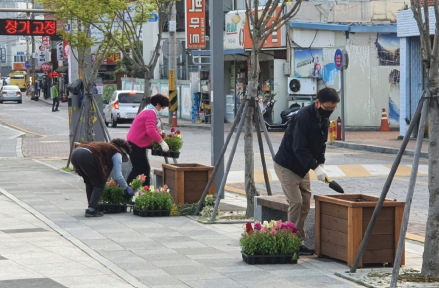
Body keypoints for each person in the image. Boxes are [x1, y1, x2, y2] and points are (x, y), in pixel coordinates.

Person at [273, 87, 340, 255]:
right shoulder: (303, 117)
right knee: (295, 202)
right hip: (287, 165)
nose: (329, 112)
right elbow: (299, 149)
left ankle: (298, 240)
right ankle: (289, 242)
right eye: (327, 108)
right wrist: (316, 168)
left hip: (302, 168)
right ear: (318, 103)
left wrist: (322, 164)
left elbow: (321, 145)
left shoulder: (323, 120)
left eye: (333, 109)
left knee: (305, 203)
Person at [71, 139, 134, 217]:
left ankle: (91, 206)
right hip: (86, 156)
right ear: (124, 150)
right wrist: (126, 188)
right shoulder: (117, 152)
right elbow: (118, 176)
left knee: (90, 182)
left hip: (75, 154)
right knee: (99, 184)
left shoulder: (106, 146)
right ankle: (91, 209)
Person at [127, 94, 170, 186]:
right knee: (138, 169)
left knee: (145, 169)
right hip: (135, 144)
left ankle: (144, 192)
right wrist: (162, 142)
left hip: (137, 143)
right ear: (158, 104)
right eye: (162, 107)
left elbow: (153, 128)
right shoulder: (150, 113)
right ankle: (126, 192)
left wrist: (161, 135)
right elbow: (150, 131)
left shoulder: (149, 111)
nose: (162, 109)